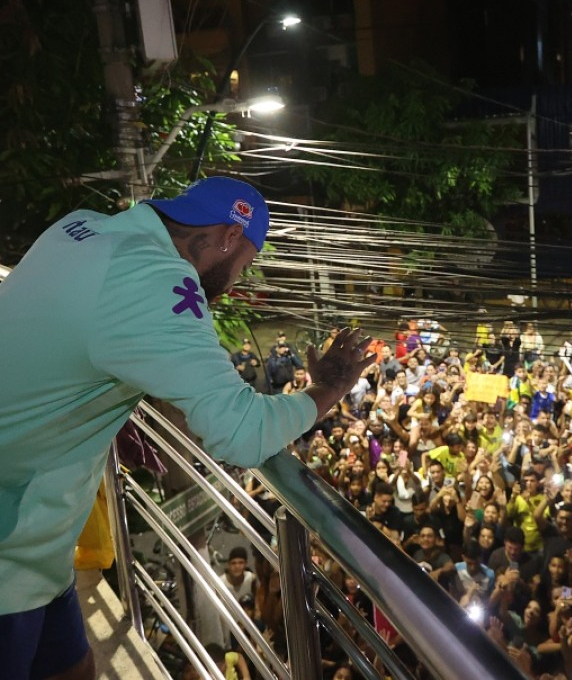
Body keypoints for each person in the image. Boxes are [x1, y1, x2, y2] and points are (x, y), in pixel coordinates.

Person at [0, 177, 375, 680]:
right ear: (226, 236)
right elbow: (240, 431)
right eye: (245, 264)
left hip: (39, 540)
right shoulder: (157, 279)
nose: (237, 282)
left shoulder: (81, 227)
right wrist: (326, 390)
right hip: (10, 549)